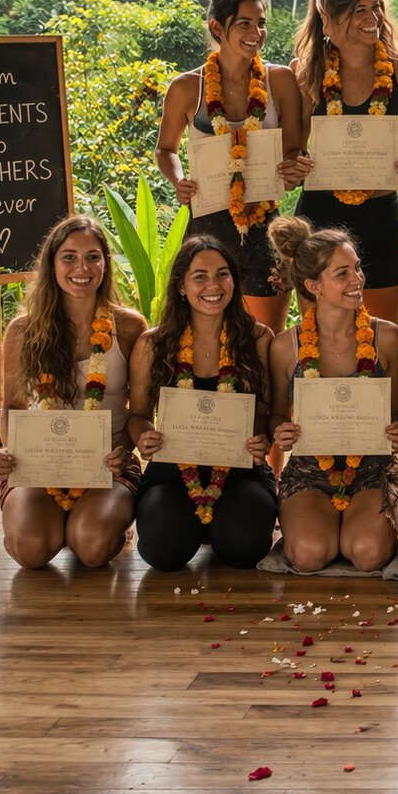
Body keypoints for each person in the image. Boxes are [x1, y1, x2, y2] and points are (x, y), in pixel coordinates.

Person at [0, 216, 146, 568]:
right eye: (69, 257)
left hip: (107, 463)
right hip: (40, 464)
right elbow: (13, 406)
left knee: (91, 548)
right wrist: (9, 451)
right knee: (30, 550)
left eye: (93, 256)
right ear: (52, 263)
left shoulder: (129, 327)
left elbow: (140, 409)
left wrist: (121, 452)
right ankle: (54, 522)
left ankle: (103, 525)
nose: (82, 267)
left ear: (106, 264)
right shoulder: (23, 329)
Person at [155, 0, 306, 332]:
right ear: (217, 28)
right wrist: (178, 180)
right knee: (202, 336)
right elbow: (165, 150)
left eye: (261, 23)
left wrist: (294, 166)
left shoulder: (279, 80)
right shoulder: (187, 87)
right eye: (245, 24)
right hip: (207, 226)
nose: (257, 33)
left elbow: (295, 148)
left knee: (266, 338)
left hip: (264, 226)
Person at [267, 216, 398, 572]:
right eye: (342, 273)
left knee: (367, 553)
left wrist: (397, 430)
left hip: (372, 471)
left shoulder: (387, 338)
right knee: (309, 555)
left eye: (357, 269)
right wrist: (280, 431)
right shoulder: (286, 347)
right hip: (310, 472)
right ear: (313, 285)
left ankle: (383, 509)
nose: (357, 280)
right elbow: (276, 415)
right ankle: (315, 522)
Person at [127, 237, 279, 570]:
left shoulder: (259, 339)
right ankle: (194, 525)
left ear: (234, 281)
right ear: (181, 286)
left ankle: (219, 526)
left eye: (222, 274)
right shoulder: (152, 344)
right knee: (163, 552)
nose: (213, 285)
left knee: (243, 547)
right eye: (200, 277)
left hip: (242, 472)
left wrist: (260, 436)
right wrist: (144, 435)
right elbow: (137, 415)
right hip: (172, 474)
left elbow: (267, 411)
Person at [292, 0, 398, 325]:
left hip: (380, 217)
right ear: (327, 16)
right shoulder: (303, 73)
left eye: (376, 7)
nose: (373, 17)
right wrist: (295, 163)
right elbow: (293, 148)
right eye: (358, 10)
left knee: (383, 334)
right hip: (319, 218)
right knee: (319, 334)